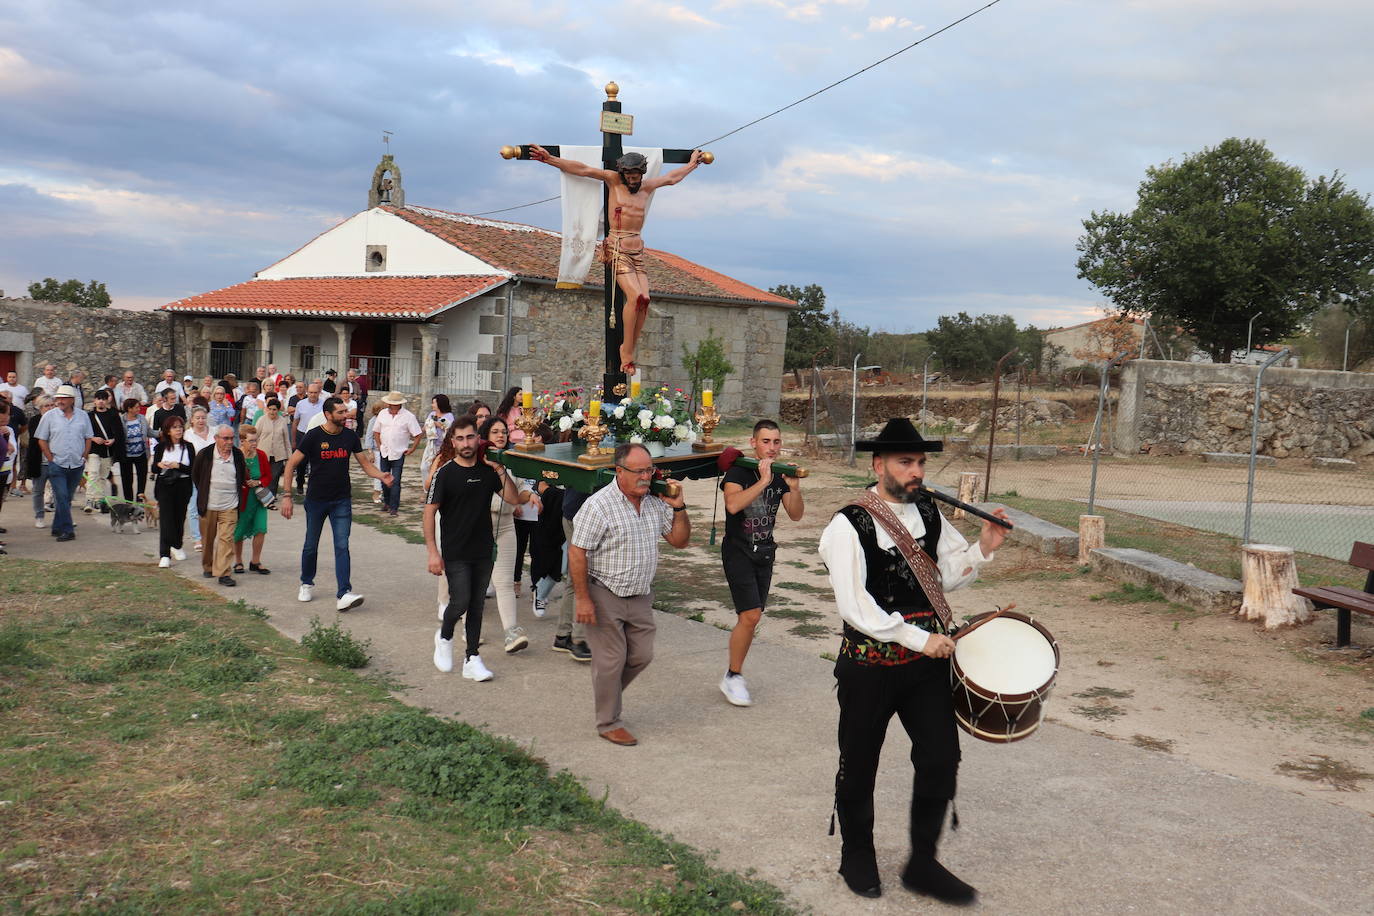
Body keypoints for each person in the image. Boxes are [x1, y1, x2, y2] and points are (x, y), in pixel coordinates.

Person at [818, 418, 1009, 904]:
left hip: (926, 669)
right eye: (907, 462)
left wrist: (982, 549)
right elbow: (855, 606)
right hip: (870, 667)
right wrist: (916, 639)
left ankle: (922, 862)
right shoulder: (848, 523)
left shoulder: (927, 510)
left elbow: (943, 575)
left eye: (921, 462)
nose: (916, 471)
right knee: (859, 764)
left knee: (941, 758)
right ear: (879, 465)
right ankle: (856, 854)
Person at [528, 144, 707, 374]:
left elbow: (672, 178)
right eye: (629, 176)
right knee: (636, 295)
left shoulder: (646, 187)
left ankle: (630, 346)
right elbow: (582, 169)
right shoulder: (613, 181)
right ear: (623, 173)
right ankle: (627, 352)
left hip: (637, 250)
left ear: (642, 174)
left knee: (645, 300)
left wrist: (692, 164)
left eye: (636, 176)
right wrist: (549, 159)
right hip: (617, 248)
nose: (633, 180)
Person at [569, 442, 691, 746]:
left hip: (640, 595)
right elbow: (577, 552)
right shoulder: (598, 505)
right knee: (611, 660)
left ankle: (607, 695)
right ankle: (608, 721)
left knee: (641, 655)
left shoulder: (654, 503)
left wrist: (679, 508)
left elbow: (679, 540)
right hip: (603, 593)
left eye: (649, 470)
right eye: (639, 471)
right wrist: (583, 598)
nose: (646, 477)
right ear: (619, 472)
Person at [715, 420, 804, 707]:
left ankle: (733, 675)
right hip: (738, 550)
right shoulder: (738, 470)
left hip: (764, 552)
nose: (772, 447)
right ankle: (733, 676)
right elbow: (732, 505)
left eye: (776, 442)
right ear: (754, 442)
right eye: (766, 441)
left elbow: (796, 514)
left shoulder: (779, 474)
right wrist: (763, 481)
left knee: (752, 618)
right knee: (750, 615)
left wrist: (793, 487)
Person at [425, 416, 521, 680]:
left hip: (484, 549)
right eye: (460, 438)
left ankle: (472, 658)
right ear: (453, 442)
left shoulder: (488, 472)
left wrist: (499, 469)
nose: (466, 443)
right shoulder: (444, 473)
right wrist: (433, 552)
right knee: (461, 601)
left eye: (470, 437)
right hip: (455, 551)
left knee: (477, 605)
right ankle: (444, 637)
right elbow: (428, 512)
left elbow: (512, 500)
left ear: (478, 439)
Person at [279, 396, 393, 611]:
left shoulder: (350, 436)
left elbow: (364, 465)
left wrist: (381, 476)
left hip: (341, 500)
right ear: (328, 415)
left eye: (346, 411)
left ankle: (344, 593)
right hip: (316, 500)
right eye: (340, 412)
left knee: (342, 546)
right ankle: (306, 582)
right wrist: (287, 495)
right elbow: (291, 464)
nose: (346, 415)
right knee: (311, 545)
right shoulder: (313, 436)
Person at [476, 416, 538, 653]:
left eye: (503, 431)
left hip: (505, 526)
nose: (500, 435)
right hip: (479, 527)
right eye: (495, 432)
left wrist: (527, 495)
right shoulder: (477, 461)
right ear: (486, 436)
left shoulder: (512, 461)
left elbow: (522, 490)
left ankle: (511, 632)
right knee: (477, 582)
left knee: (504, 582)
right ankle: (469, 627)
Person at [34, 385, 93, 542]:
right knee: (61, 495)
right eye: (57, 398)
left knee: (66, 498)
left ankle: (56, 526)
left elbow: (88, 437)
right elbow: (41, 439)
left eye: (63, 398)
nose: (59, 401)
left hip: (76, 463)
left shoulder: (82, 416)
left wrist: (84, 455)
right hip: (57, 464)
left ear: (72, 400)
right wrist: (50, 457)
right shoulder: (49, 416)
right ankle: (68, 530)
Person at [192, 425, 245, 587]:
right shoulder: (205, 454)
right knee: (207, 540)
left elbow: (241, 475)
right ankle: (208, 566)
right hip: (209, 505)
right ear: (216, 438)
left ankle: (223, 573)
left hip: (230, 505)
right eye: (225, 438)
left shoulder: (237, 454)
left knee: (226, 539)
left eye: (231, 438)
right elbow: (196, 475)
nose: (229, 442)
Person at [151, 416, 195, 568]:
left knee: (179, 517)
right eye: (175, 427)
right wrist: (160, 464)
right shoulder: (161, 447)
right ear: (168, 431)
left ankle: (177, 544)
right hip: (165, 484)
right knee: (166, 519)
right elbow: (154, 468)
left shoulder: (188, 447)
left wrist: (178, 465)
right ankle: (164, 553)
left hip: (183, 484)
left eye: (180, 427)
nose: (178, 430)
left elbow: (193, 469)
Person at [371, 391, 423, 517]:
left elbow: (418, 434)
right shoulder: (383, 414)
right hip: (385, 451)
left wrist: (412, 449)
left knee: (396, 481)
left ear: (399, 404)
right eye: (390, 403)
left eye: (393, 404)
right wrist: (379, 445)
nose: (391, 406)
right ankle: (387, 502)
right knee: (384, 478)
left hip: (399, 452)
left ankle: (394, 507)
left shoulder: (408, 416)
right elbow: (376, 431)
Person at [231, 424, 272, 576]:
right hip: (242, 500)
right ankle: (238, 561)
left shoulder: (261, 455)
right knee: (239, 531)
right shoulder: (236, 456)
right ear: (242, 441)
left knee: (261, 529)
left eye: (256, 440)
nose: (254, 443)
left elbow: (268, 476)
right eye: (251, 441)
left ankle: (255, 561)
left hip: (259, 498)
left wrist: (259, 482)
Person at [83, 389, 124, 514]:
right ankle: (89, 499)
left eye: (103, 399)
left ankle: (99, 500)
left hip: (107, 450)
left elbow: (119, 432)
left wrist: (113, 440)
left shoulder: (113, 415)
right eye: (98, 398)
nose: (101, 401)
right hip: (94, 449)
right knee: (93, 474)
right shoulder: (89, 416)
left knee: (102, 476)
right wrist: (94, 438)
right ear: (95, 401)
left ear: (107, 401)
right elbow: (84, 432)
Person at [184, 407, 215, 553]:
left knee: (211, 506)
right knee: (194, 506)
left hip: (214, 474)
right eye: (198, 418)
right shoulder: (187, 435)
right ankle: (197, 537)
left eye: (203, 417)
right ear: (192, 420)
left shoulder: (214, 432)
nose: (201, 420)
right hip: (195, 474)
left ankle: (208, 535)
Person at [290, 382, 325, 494]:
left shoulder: (324, 404)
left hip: (319, 436)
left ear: (319, 392)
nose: (313, 395)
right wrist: (294, 440)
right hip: (303, 435)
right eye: (310, 392)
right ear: (307, 392)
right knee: (301, 462)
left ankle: (314, 486)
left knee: (317, 463)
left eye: (315, 392)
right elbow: (295, 422)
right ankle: (300, 483)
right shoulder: (300, 404)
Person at [26, 395, 55, 526]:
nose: (49, 408)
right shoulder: (34, 420)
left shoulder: (59, 419)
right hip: (40, 461)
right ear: (40, 408)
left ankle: (63, 517)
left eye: (51, 405)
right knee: (38, 490)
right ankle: (39, 516)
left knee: (60, 491)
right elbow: (36, 438)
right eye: (46, 406)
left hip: (57, 460)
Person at [117, 398, 151, 505]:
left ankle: (140, 498)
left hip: (141, 452)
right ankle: (129, 501)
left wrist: (160, 434)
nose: (139, 409)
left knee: (142, 477)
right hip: (126, 454)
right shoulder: (121, 420)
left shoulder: (141, 418)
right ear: (129, 409)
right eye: (136, 407)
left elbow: (148, 431)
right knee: (127, 479)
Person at [254, 398, 291, 495]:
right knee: (263, 476)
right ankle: (262, 497)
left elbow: (286, 440)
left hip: (278, 454)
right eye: (270, 409)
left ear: (278, 410)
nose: (272, 411)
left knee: (274, 477)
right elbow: (255, 436)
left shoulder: (283, 421)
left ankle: (271, 498)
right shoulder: (261, 420)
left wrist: (289, 458)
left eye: (274, 409)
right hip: (263, 454)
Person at [421, 394, 454, 475]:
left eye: (433, 403)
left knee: (439, 467)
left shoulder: (449, 416)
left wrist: (435, 423)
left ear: (439, 403)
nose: (432, 405)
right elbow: (426, 426)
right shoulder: (432, 414)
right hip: (431, 445)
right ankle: (427, 486)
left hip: (443, 445)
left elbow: (449, 428)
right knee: (424, 467)